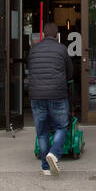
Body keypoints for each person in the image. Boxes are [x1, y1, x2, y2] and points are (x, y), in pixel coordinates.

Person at [27, 22, 73, 175]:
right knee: (61, 126)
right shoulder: (62, 49)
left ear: (43, 35)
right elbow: (69, 71)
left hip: (36, 95)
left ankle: (45, 168)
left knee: (42, 132)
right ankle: (53, 153)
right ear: (57, 36)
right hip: (57, 94)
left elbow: (31, 69)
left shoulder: (34, 50)